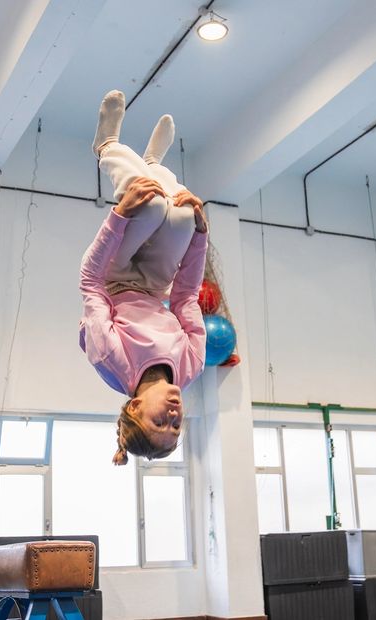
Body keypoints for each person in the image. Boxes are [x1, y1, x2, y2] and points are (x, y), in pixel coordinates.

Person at [81, 89, 209, 465]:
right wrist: (201, 236)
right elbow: (185, 298)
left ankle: (106, 145)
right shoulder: (191, 365)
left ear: (135, 405)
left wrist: (119, 214)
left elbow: (90, 281)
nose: (174, 416)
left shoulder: (110, 359)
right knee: (184, 215)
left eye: (160, 421)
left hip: (113, 278)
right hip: (155, 287)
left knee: (149, 206)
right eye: (177, 427)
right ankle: (155, 163)